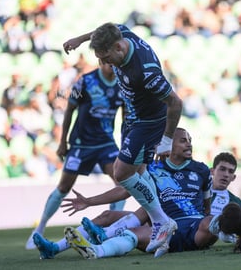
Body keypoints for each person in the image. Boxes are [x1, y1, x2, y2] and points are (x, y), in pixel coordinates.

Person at [63, 22, 183, 252]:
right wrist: (80, 39)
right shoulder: (121, 33)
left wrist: (167, 140)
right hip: (131, 118)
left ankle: (161, 221)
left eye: (107, 57)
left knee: (122, 173)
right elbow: (104, 29)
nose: (105, 63)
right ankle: (160, 223)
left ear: (118, 48)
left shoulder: (146, 72)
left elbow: (175, 103)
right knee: (139, 173)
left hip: (147, 123)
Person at [32, 129, 240, 259]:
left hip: (193, 226)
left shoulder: (201, 169)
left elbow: (205, 208)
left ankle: (228, 233)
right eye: (183, 140)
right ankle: (89, 251)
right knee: (127, 230)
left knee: (209, 221)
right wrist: (89, 201)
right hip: (163, 226)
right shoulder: (153, 168)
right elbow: (124, 190)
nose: (189, 144)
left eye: (190, 140)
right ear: (169, 145)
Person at [25, 60, 126, 250]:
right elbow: (70, 109)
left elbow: (126, 116)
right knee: (64, 187)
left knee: (122, 182)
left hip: (106, 143)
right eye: (109, 62)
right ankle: (39, 229)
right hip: (81, 144)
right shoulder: (85, 82)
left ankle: (112, 228)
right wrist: (63, 141)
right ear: (101, 61)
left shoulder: (122, 83)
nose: (113, 65)